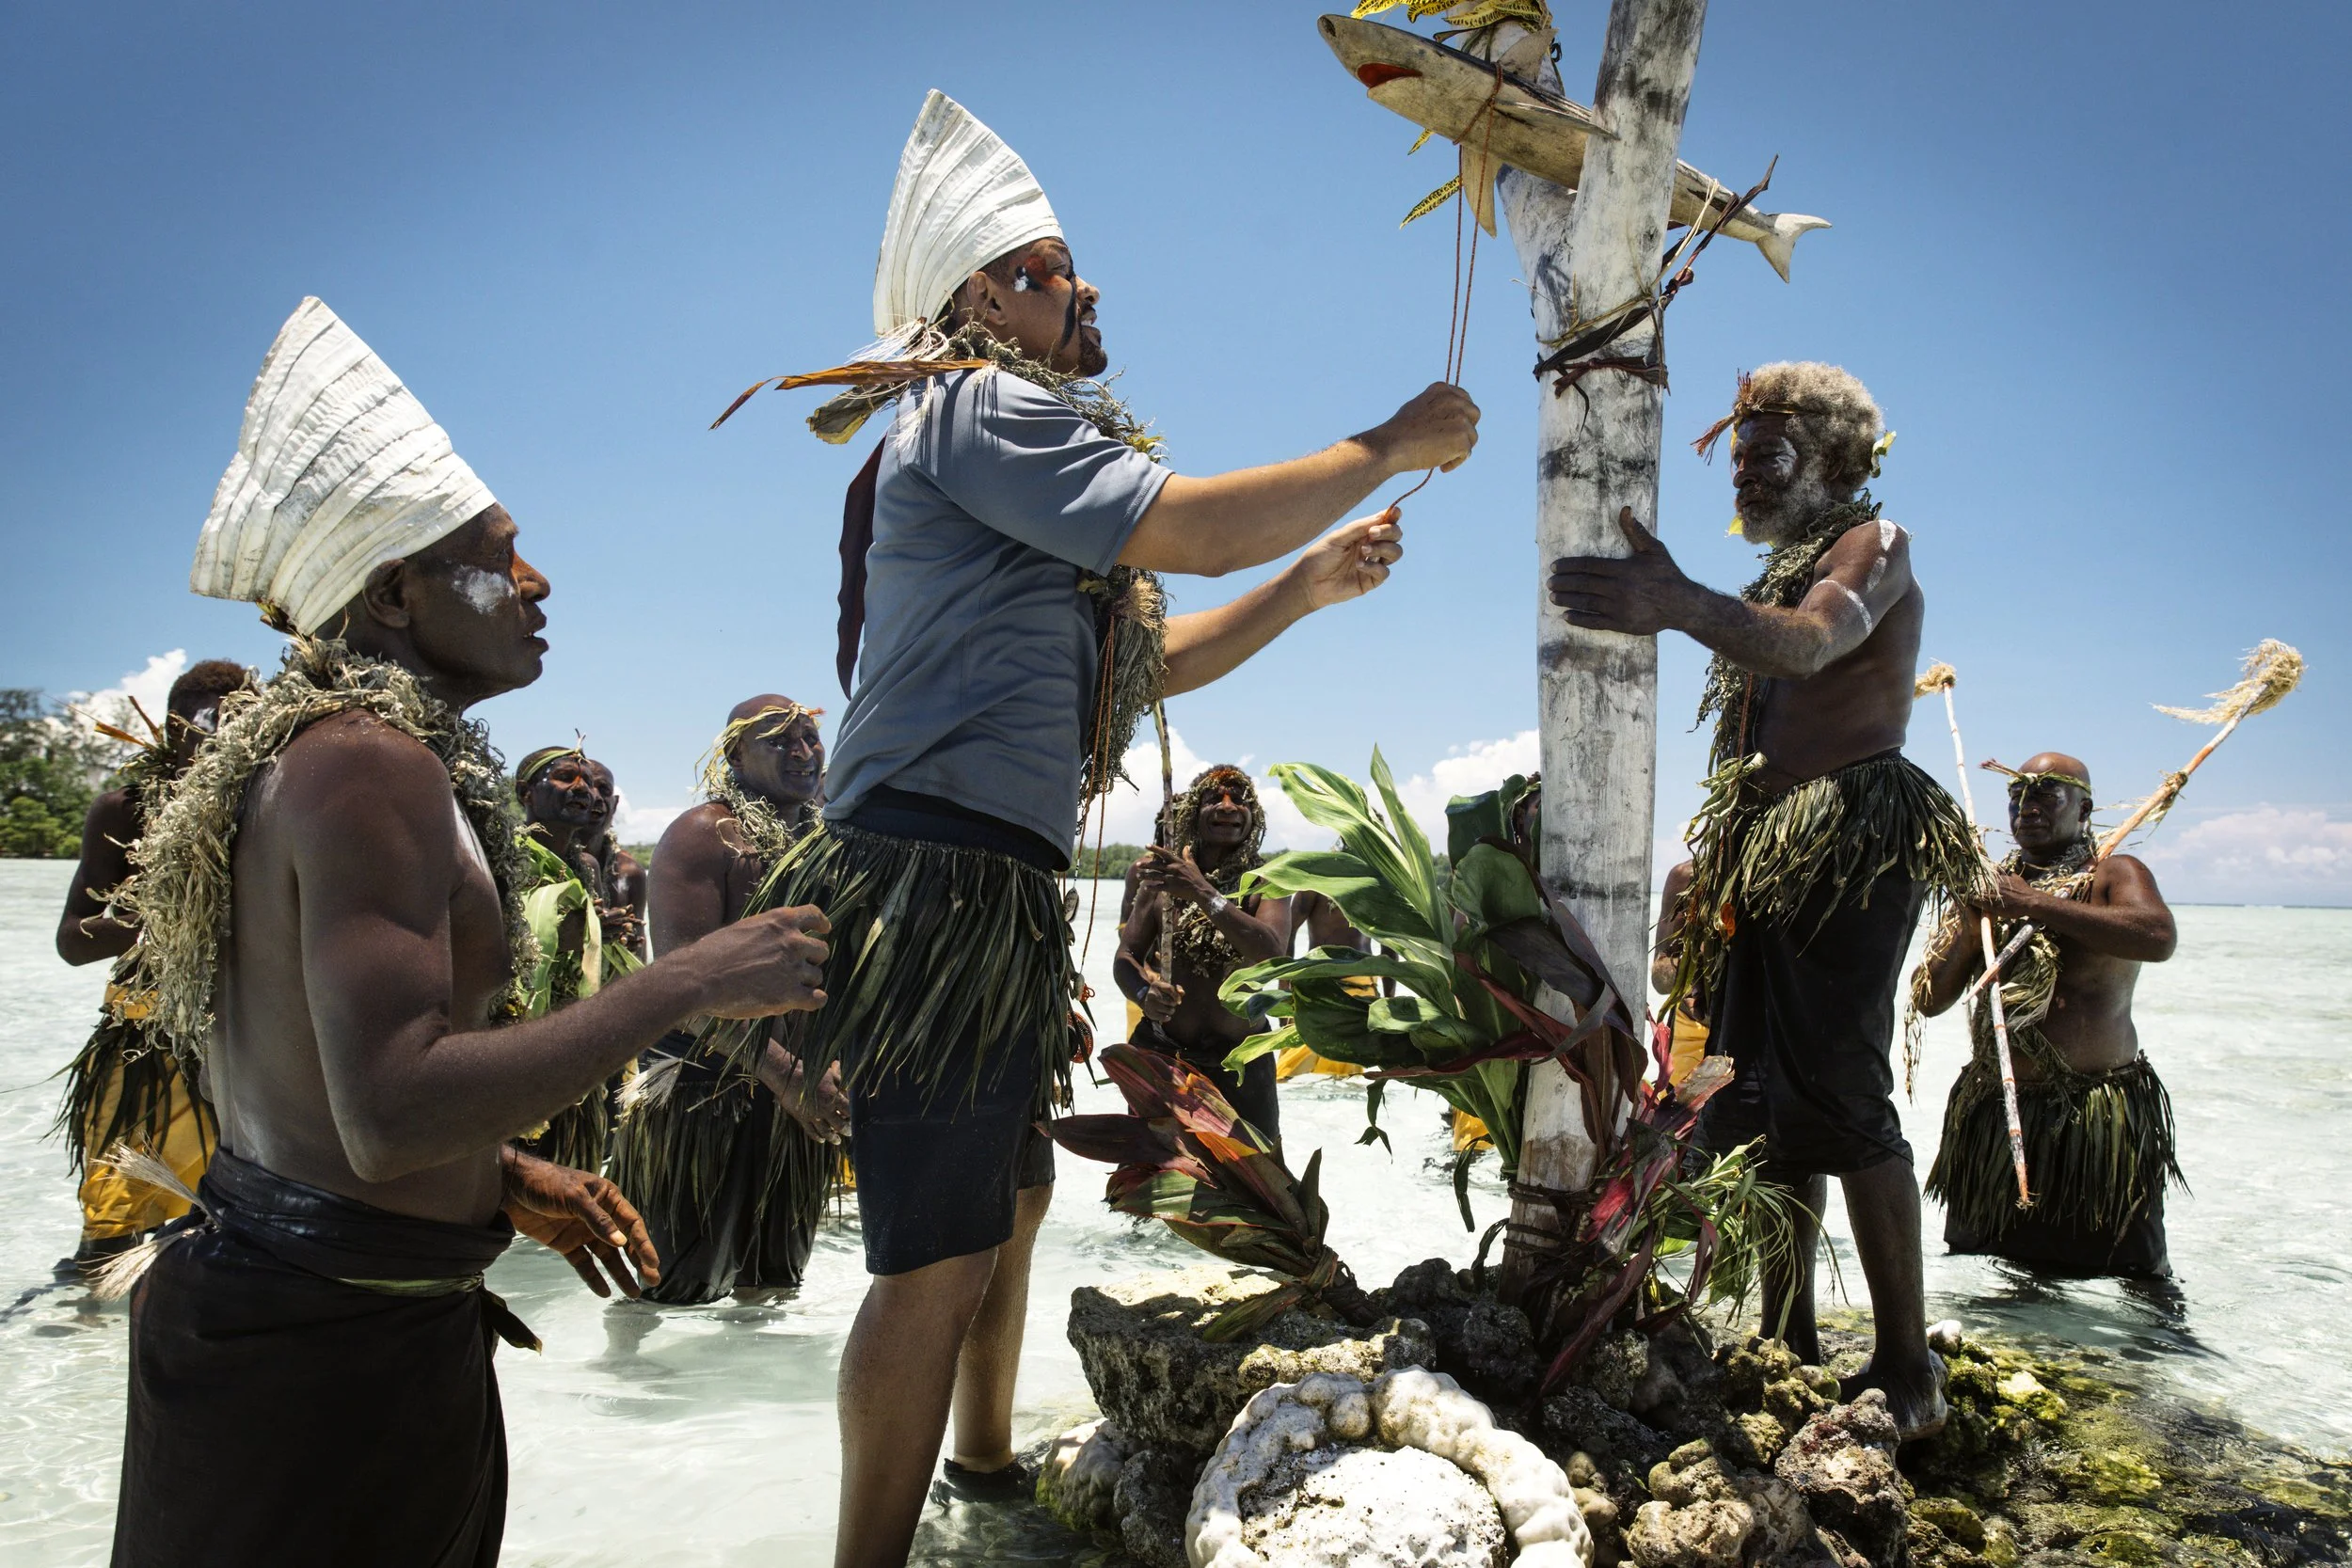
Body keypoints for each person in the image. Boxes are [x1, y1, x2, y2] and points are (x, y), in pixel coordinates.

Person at [728, 91, 1475, 1566]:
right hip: (932, 866)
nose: (1085, 293)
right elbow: (1187, 522)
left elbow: (1156, 659)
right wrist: (1387, 441)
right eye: (1052, 266)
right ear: (975, 297)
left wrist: (1311, 585)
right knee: (934, 1250)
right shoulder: (972, 402)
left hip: (990, 883)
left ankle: (986, 1473)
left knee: (1007, 1197)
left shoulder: (1037, 467)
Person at [109, 296, 831, 1568]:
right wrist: (693, 977)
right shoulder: (367, 763)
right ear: (396, 590)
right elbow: (388, 1107)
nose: (538, 581)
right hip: (322, 1359)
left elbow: (304, 1082)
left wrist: (503, 1173)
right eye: (502, 554)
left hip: (309, 1312)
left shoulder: (317, 755)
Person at [1548, 362, 1980, 1439]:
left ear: (1834, 458)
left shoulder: (1872, 548)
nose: (1741, 466)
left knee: (1840, 1089)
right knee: (1760, 1103)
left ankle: (1906, 1364)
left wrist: (1681, 603)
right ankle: (1786, 1335)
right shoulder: (1785, 563)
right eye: (1736, 450)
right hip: (1764, 853)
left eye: (1766, 450)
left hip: (1847, 840)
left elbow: (1816, 640)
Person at [611, 696, 850, 1304]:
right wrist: (783, 1072)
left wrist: (837, 1063)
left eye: (810, 738)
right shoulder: (703, 836)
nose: (803, 752)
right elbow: (680, 992)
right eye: (780, 741)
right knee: (670, 1297)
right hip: (700, 1103)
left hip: (795, 1107)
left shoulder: (824, 844)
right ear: (737, 754)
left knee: (771, 1298)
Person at [1913, 752, 2181, 1278]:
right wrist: (1972, 924)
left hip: (2093, 1115)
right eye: (2017, 795)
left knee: (2132, 1273)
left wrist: (2036, 904)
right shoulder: (1993, 887)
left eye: (2045, 794)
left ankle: (2145, 1361)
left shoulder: (2114, 874)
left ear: (2084, 808)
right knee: (1985, 1268)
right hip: (1997, 1108)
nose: (2025, 806)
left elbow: (2157, 937)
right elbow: (1930, 1000)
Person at [52, 657, 251, 1275]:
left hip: (245, 1045)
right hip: (146, 1045)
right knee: (114, 1228)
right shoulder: (125, 809)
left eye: (247, 722)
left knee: (240, 1227)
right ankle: (89, 1354)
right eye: (216, 721)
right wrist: (165, 919)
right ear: (174, 728)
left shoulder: (266, 807)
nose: (229, 736)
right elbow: (71, 939)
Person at [1117, 766, 1291, 1139]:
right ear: (1194, 811)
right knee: (1151, 1182)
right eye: (1215, 799)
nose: (1229, 807)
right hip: (1164, 1055)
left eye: (1240, 799)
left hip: (1242, 1064)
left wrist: (1204, 893)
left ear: (1254, 816)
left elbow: (1272, 955)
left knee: (1253, 1186)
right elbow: (1125, 958)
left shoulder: (1269, 880)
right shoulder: (1162, 878)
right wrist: (1144, 992)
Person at [511, 745, 647, 1169]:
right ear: (526, 793)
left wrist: (605, 934)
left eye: (589, 782)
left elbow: (591, 944)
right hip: (521, 1043)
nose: (583, 790)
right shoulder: (507, 856)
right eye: (567, 776)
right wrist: (578, 931)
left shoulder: (585, 864)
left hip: (577, 1040)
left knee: (579, 1166)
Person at [1648, 860, 1709, 1088]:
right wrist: (1702, 953)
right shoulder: (1686, 878)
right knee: (1678, 1119)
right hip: (1692, 1031)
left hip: (1760, 1033)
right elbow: (1659, 980)